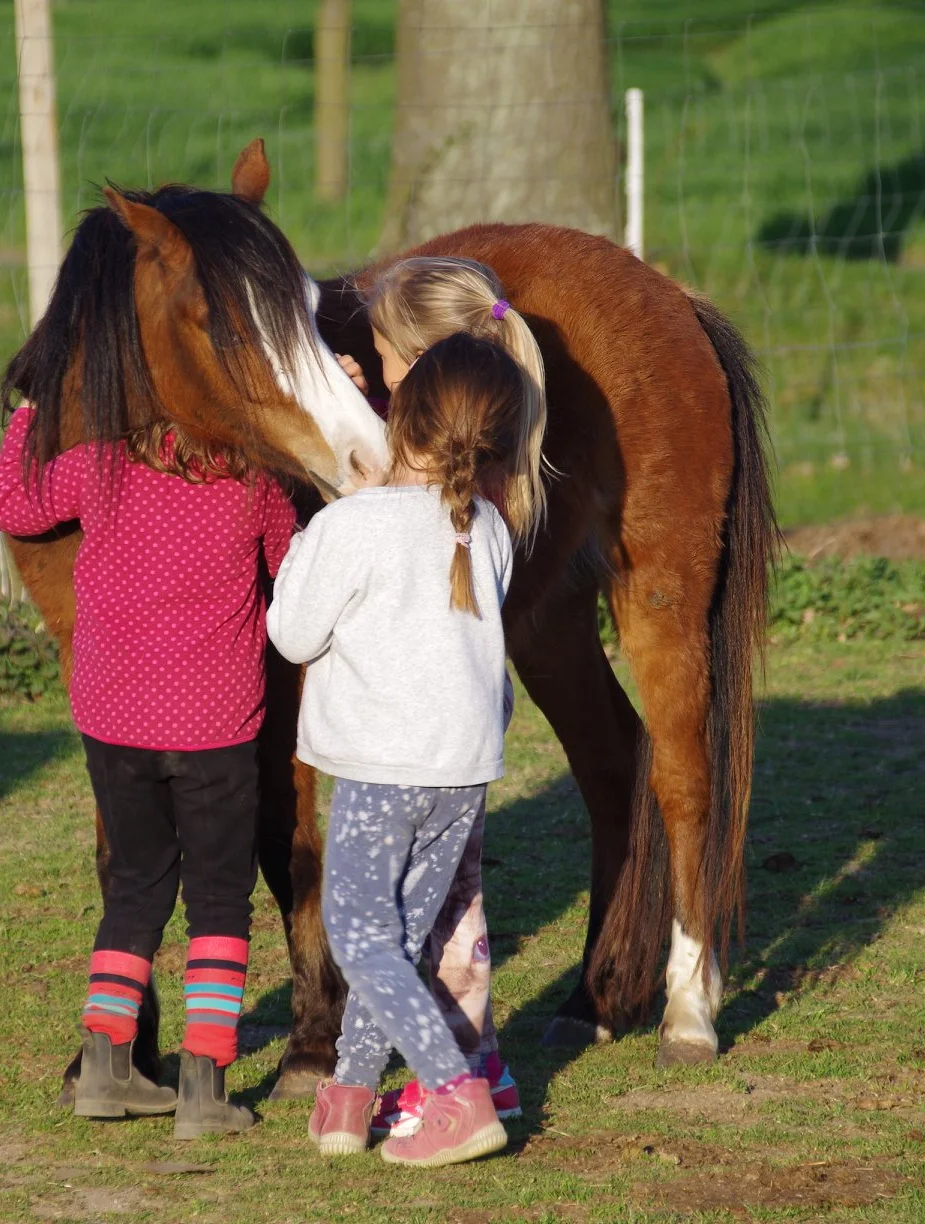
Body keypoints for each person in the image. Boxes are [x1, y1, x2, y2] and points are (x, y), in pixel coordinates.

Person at [0, 399, 294, 1142]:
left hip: (114, 719)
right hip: (216, 725)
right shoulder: (256, 484)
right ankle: (204, 1083)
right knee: (220, 901)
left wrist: (30, 412)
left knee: (133, 888)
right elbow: (298, 574)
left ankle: (106, 1063)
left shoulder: (101, 464)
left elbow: (13, 503)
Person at [270, 332, 535, 1167]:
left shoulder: (354, 526)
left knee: (360, 937)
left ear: (402, 419)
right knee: (398, 942)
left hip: (384, 771)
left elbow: (291, 633)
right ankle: (347, 1100)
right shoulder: (486, 526)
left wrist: (311, 535)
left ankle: (457, 1095)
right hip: (462, 773)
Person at [331, 256, 547, 1139]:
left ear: (422, 369)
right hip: (465, 731)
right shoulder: (491, 453)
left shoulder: (437, 486)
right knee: (453, 905)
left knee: (405, 924)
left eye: (384, 360)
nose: (378, 373)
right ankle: (480, 1066)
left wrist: (362, 455)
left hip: (407, 736)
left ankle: (449, 1078)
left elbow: (386, 524)